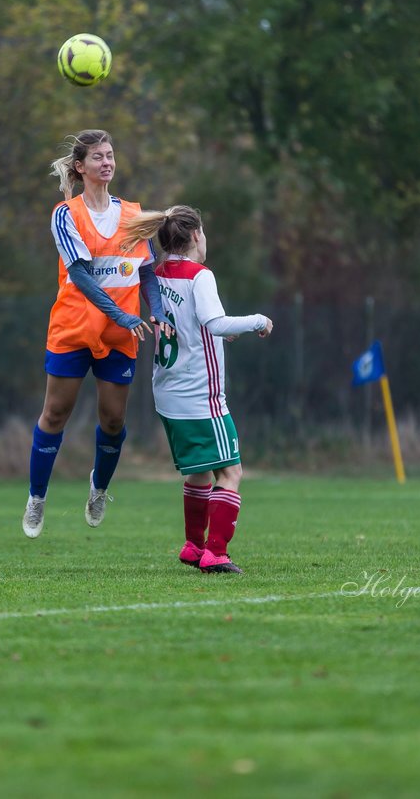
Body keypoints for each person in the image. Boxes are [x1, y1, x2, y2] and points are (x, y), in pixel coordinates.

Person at [22, 129, 169, 538]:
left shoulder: (132, 214)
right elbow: (83, 279)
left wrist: (155, 312)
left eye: (110, 155)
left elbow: (147, 273)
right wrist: (122, 316)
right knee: (55, 413)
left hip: (123, 334)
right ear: (80, 167)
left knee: (114, 418)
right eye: (98, 157)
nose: (107, 162)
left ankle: (99, 488)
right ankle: (37, 497)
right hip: (73, 328)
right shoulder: (65, 214)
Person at [120, 205, 272, 573]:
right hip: (200, 394)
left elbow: (194, 324)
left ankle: (193, 546)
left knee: (199, 472)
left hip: (168, 393)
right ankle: (216, 552)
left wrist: (220, 330)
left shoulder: (156, 273)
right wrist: (258, 321)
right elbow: (213, 322)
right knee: (231, 473)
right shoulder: (200, 275)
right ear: (195, 236)